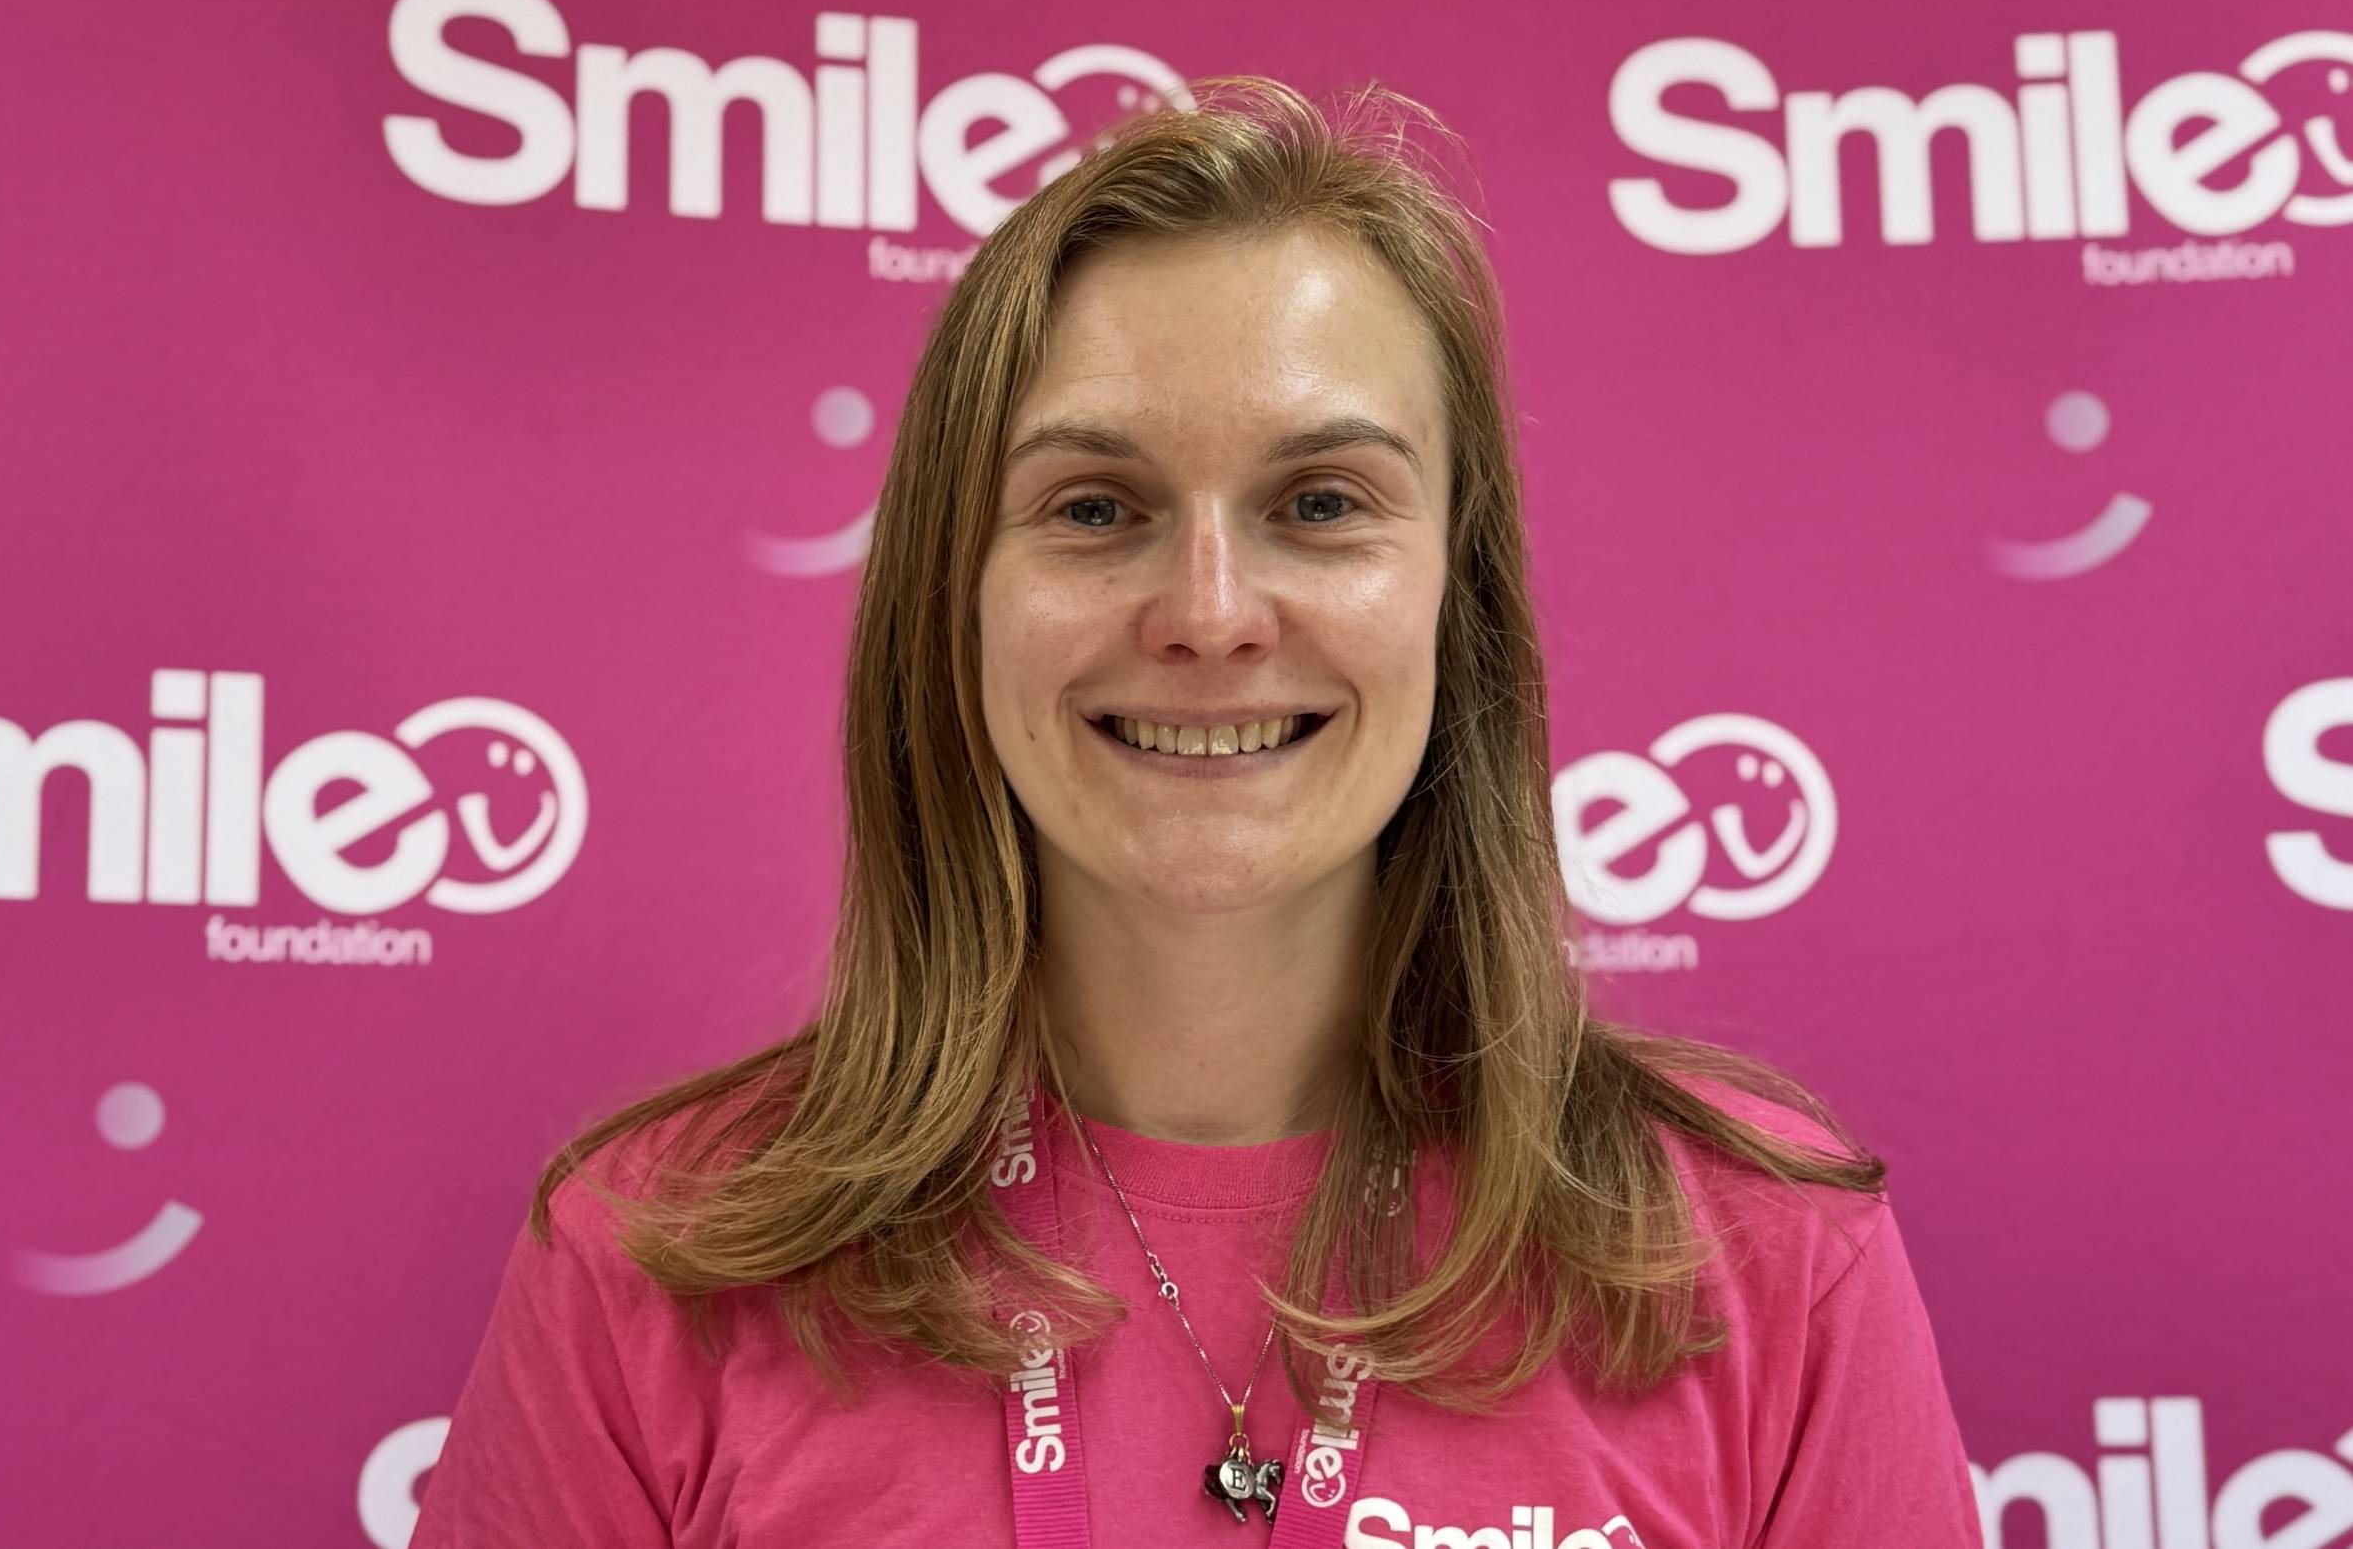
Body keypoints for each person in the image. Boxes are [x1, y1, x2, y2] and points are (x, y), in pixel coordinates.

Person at [409, 76, 1984, 1548]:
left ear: (1456, 602)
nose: (1212, 613)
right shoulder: (653, 1265)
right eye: (1097, 508)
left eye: (1322, 504)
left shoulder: (1765, 1257)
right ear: (954, 600)